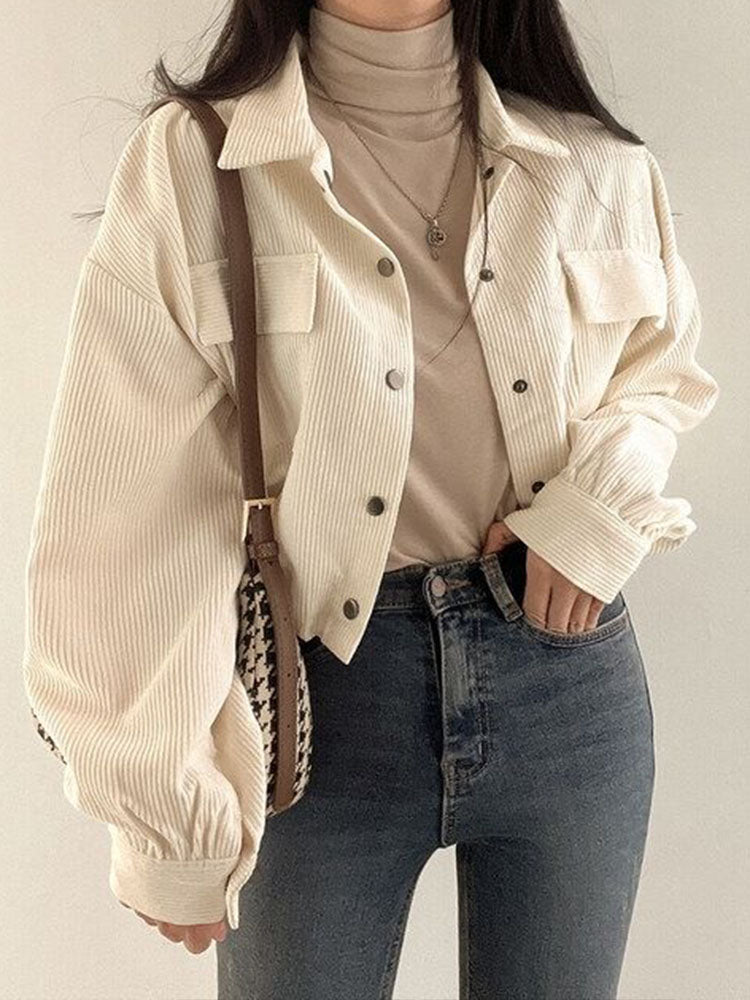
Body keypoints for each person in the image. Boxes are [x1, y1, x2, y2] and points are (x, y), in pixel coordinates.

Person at [22, 0, 720, 996]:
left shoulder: (594, 162)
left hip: (571, 686)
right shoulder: (199, 159)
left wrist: (595, 513)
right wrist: (166, 812)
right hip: (321, 703)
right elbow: (127, 505)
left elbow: (661, 374)